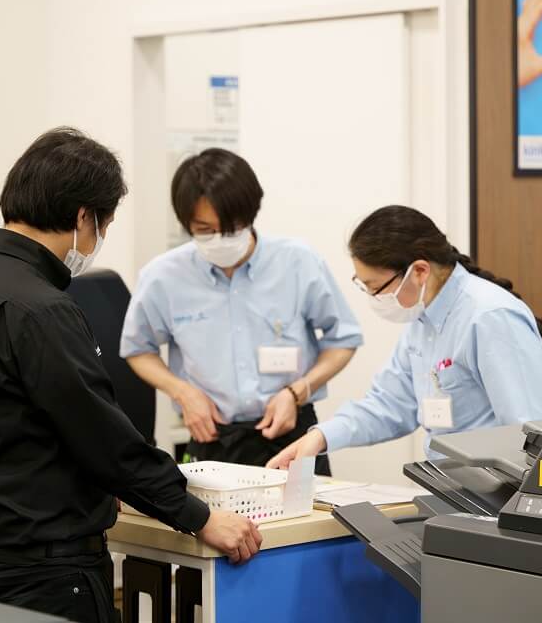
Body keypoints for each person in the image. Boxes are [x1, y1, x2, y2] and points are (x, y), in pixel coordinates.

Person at [0, 128, 261, 623]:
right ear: (83, 216)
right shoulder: (44, 310)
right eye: (102, 225)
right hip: (52, 577)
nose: (98, 240)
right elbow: (103, 439)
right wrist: (200, 517)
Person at [121, 148, 362, 476]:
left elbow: (344, 339)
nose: (220, 239)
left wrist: (298, 391)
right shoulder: (163, 276)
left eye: (232, 228)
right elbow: (138, 350)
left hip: (292, 436)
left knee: (312, 527)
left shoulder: (297, 262)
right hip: (212, 438)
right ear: (186, 224)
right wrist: (182, 392)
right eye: (205, 229)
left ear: (251, 214)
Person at [267, 206, 542, 469]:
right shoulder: (421, 320)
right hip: (452, 488)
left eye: (375, 287)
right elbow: (390, 405)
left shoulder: (489, 317)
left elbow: (531, 433)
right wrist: (321, 437)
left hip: (498, 495)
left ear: (419, 271)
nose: (373, 298)